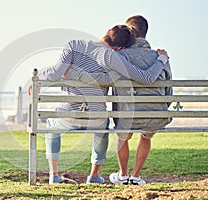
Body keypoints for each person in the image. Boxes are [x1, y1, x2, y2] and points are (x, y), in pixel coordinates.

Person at [28, 25, 169, 184]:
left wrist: (38, 78)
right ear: (120, 47)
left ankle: (54, 175)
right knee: (103, 129)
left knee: (51, 125)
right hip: (96, 118)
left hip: (68, 115)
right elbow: (146, 78)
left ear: (108, 32)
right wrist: (162, 59)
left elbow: (55, 73)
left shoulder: (74, 45)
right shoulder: (112, 56)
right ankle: (94, 176)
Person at [67, 15, 172, 185]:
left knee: (123, 135)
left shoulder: (119, 54)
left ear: (129, 32)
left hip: (127, 116)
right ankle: (136, 176)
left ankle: (123, 176)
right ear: (145, 33)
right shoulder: (160, 57)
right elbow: (169, 90)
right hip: (155, 115)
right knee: (146, 136)